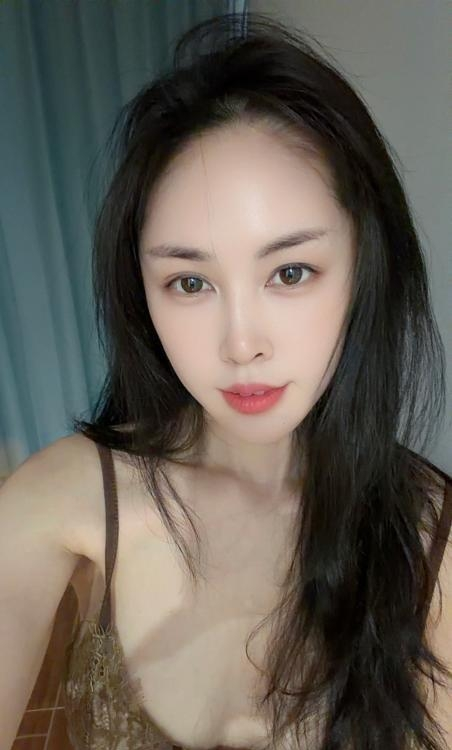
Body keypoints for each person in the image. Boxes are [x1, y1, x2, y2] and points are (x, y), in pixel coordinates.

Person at [1, 10, 451, 750]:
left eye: (291, 272)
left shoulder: (430, 539)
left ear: (365, 266)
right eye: (190, 283)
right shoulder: (63, 500)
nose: (241, 345)